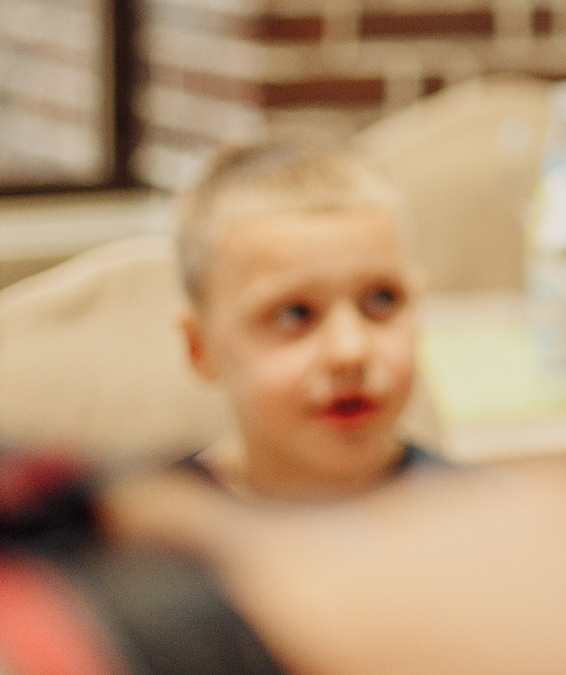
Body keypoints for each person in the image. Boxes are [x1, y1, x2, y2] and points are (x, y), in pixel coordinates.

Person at [173, 139, 438, 499]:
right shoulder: (155, 531)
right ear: (199, 345)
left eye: (381, 299)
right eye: (294, 314)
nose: (350, 350)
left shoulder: (485, 517)